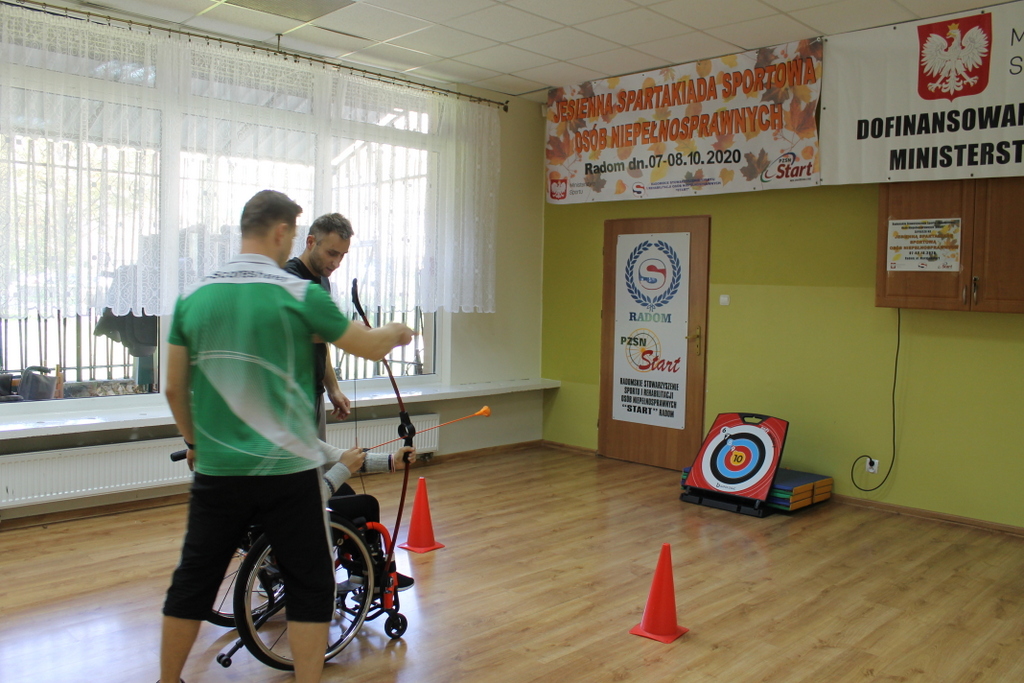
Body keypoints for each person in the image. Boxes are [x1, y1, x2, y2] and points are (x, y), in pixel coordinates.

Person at [160, 190, 414, 683]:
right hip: (288, 471)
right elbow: (368, 345)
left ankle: (166, 680)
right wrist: (399, 331)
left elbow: (173, 388)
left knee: (192, 582)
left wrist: (194, 444)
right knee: (310, 586)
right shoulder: (300, 294)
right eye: (293, 234)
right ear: (281, 232)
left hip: (219, 470)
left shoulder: (193, 297)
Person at [284, 213, 353, 441]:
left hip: (314, 393)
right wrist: (354, 335)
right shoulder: (288, 277)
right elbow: (301, 332)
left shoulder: (323, 280)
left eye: (342, 255)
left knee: (319, 461)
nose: (336, 263)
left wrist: (333, 389)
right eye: (332, 253)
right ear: (311, 242)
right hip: (287, 398)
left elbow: (320, 344)